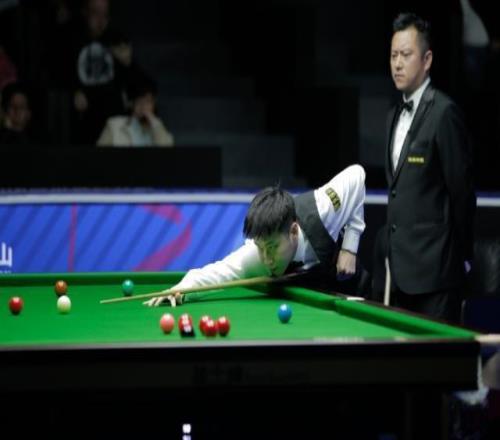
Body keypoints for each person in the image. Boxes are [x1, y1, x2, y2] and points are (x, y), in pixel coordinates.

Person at [145, 164, 366, 307]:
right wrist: (179, 291)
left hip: (353, 286)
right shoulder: (258, 253)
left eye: (272, 248)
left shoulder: (323, 209)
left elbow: (357, 174)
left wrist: (350, 245)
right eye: (261, 249)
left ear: (293, 231)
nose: (266, 259)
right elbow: (217, 272)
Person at [383, 12, 476, 322]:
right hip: (401, 275)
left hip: (437, 278)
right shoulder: (392, 116)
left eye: (406, 55)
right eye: (393, 55)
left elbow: (462, 194)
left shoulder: (444, 114)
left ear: (427, 60)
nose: (397, 63)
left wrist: (461, 259)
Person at [96, 77, 174, 146]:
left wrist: (154, 122)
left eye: (148, 102)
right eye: (140, 102)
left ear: (154, 103)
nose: (144, 107)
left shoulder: (157, 127)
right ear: (131, 103)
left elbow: (167, 149)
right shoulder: (114, 126)